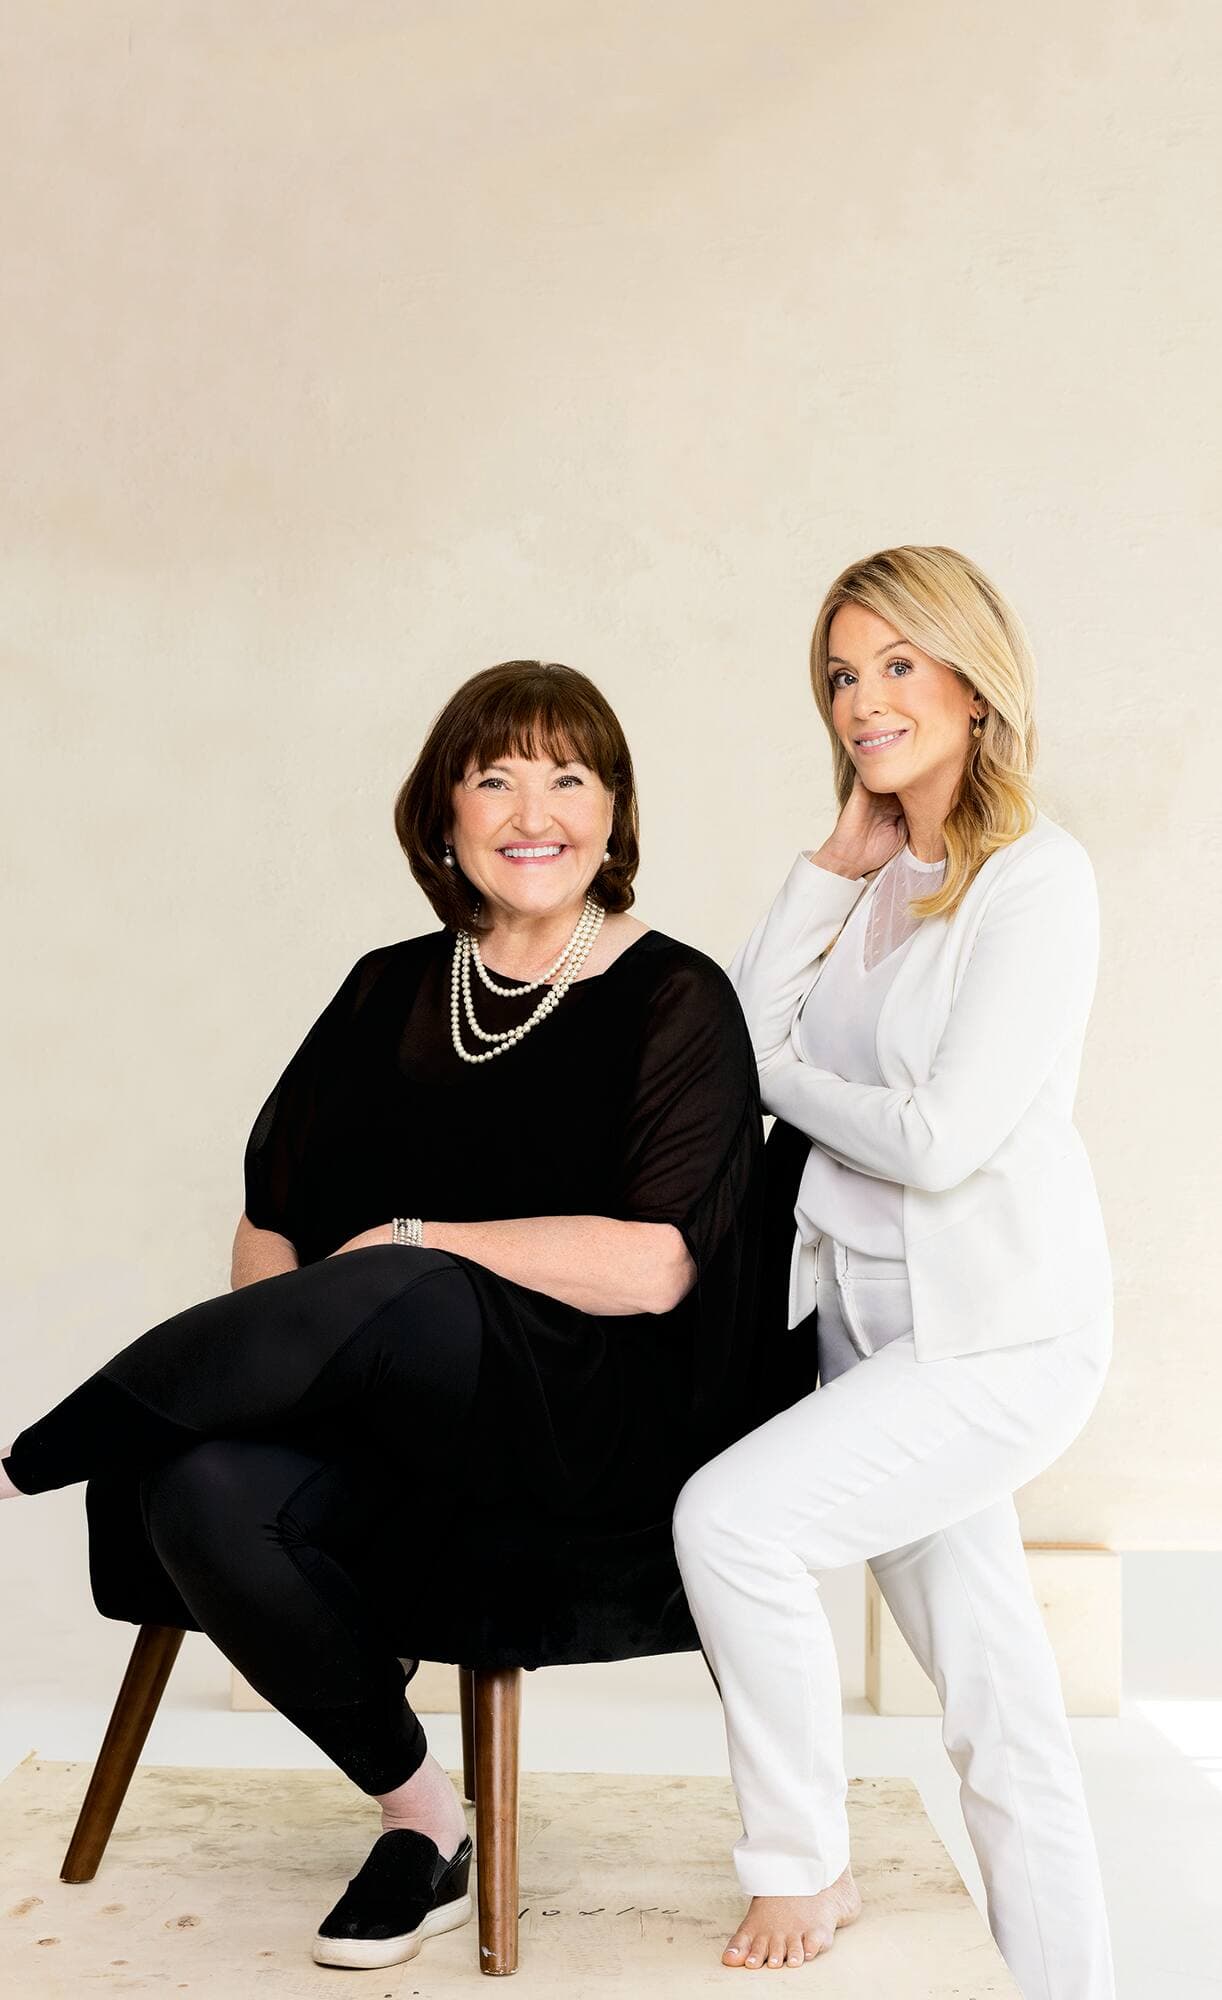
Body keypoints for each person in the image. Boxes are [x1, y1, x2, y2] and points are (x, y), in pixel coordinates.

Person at [2, 659, 763, 1973]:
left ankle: (43, 1448)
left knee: (408, 1276)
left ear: (614, 812)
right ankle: (421, 1821)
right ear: (445, 817)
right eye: (495, 779)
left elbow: (654, 1270)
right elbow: (268, 1223)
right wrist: (306, 1356)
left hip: (581, 1423)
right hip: (380, 1414)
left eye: (569, 778)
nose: (534, 812)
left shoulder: (676, 996)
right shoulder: (384, 987)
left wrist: (420, 1243)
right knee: (199, 1485)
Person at [672, 546, 1115, 1997]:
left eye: (898, 665)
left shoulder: (1035, 881)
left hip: (993, 1340)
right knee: (1001, 1711)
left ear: (974, 684)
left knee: (732, 1524)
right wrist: (829, 866)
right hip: (863, 1334)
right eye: (842, 676)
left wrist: (782, 1078)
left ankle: (802, 1859)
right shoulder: (878, 881)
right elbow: (732, 1040)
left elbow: (940, 1139)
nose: (864, 700)